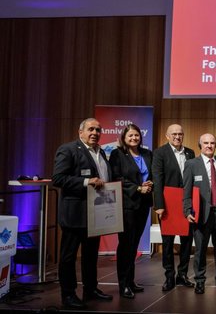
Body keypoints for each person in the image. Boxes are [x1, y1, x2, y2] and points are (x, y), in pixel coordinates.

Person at [52, 118, 113, 309]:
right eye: (91, 129)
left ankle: (90, 289)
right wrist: (86, 182)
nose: (95, 133)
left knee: (91, 255)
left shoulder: (101, 152)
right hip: (75, 214)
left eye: (98, 130)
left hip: (96, 213)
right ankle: (68, 294)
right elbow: (58, 178)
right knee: (69, 256)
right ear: (81, 132)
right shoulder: (68, 149)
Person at [109, 124, 153, 299]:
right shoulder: (117, 154)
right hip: (127, 204)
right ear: (124, 137)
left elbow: (152, 175)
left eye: (137, 135)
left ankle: (131, 281)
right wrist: (137, 188)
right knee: (126, 245)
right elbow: (116, 178)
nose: (134, 138)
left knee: (134, 245)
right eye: (131, 135)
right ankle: (124, 284)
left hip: (143, 204)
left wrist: (150, 183)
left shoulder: (147, 154)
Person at [183, 133, 216, 294]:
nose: (209, 145)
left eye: (212, 143)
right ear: (200, 145)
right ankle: (200, 280)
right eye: (206, 143)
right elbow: (186, 190)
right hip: (202, 214)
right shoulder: (191, 164)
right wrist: (187, 210)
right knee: (201, 249)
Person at [152, 124, 196, 291]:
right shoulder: (160, 153)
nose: (177, 137)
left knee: (187, 241)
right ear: (167, 136)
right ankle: (169, 276)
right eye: (174, 134)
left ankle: (182, 275)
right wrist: (159, 205)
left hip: (186, 203)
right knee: (168, 243)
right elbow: (157, 180)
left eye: (180, 134)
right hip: (167, 205)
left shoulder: (190, 152)